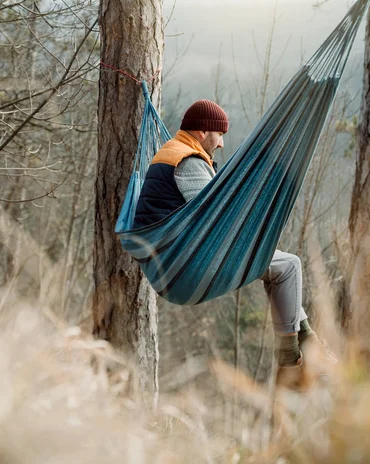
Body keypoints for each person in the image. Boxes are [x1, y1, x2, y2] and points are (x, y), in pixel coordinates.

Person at [134, 99, 333, 387]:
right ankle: (292, 360)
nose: (222, 144)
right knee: (289, 265)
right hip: (183, 263)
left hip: (172, 257)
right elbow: (213, 217)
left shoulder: (171, 151)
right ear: (203, 132)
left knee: (279, 269)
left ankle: (307, 348)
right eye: (220, 135)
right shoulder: (188, 160)